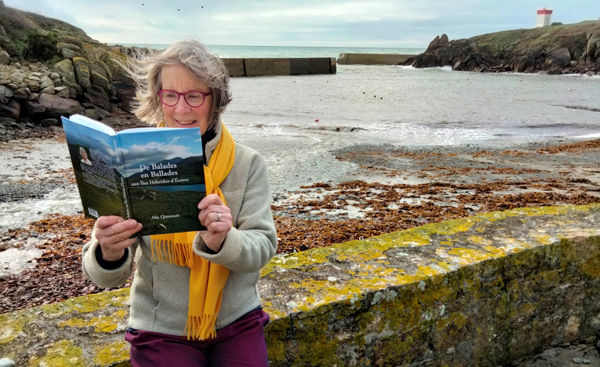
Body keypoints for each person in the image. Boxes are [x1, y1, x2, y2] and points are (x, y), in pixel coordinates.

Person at [81, 39, 277, 367]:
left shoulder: (247, 163)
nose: (181, 109)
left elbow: (263, 247)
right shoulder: (132, 161)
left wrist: (224, 241)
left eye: (194, 96)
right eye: (170, 95)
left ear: (216, 99)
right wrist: (108, 251)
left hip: (237, 321)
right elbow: (107, 278)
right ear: (159, 98)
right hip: (161, 328)